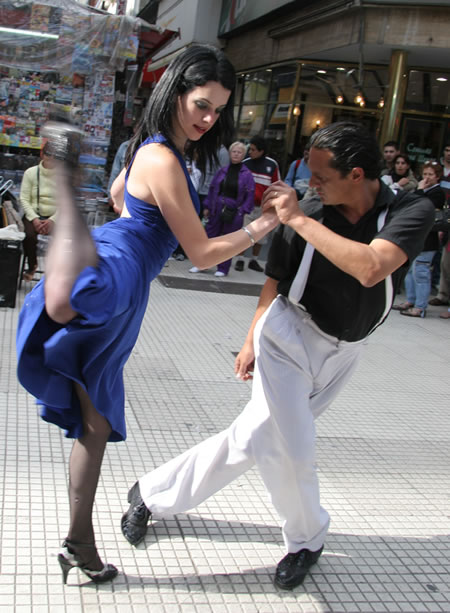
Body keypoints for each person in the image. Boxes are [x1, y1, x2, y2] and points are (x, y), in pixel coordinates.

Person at [120, 122, 435, 590]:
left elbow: (373, 267)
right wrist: (251, 338)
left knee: (254, 437)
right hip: (288, 336)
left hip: (347, 349)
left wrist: (298, 220)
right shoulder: (309, 208)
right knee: (294, 447)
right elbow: (275, 282)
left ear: (358, 174)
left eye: (322, 177)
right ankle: (308, 538)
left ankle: (151, 493)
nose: (312, 185)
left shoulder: (410, 208)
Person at [16, 45, 278, 586]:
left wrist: (143, 215)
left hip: (124, 260)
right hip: (124, 266)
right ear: (175, 92)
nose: (208, 120)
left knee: (98, 421)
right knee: (74, 303)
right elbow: (202, 254)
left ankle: (79, 545)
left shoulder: (153, 151)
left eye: (216, 111)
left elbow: (118, 197)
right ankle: (65, 203)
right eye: (201, 105)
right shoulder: (162, 157)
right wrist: (264, 224)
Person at [189, 141, 255, 276]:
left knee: (228, 240)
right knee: (208, 237)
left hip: (234, 210)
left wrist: (242, 211)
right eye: (234, 151)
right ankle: (202, 264)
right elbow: (213, 189)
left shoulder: (247, 174)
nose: (236, 154)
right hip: (217, 207)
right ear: (230, 153)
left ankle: (223, 268)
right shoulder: (222, 171)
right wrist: (207, 206)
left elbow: (250, 194)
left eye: (239, 152)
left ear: (243, 155)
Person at [392, 161, 445, 317]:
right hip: (417, 239)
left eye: (430, 174)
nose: (427, 177)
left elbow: (420, 207)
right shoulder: (424, 190)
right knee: (411, 272)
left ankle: (420, 307)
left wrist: (420, 189)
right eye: (425, 174)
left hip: (428, 240)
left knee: (421, 273)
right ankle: (411, 300)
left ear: (437, 177)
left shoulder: (436, 193)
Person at [234, 135, 280, 272]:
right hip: (246, 206)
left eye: (253, 150)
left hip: (263, 207)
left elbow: (277, 185)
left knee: (261, 236)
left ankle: (254, 260)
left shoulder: (272, 165)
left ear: (261, 151)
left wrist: (273, 205)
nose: (250, 152)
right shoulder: (246, 163)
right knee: (244, 233)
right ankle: (240, 260)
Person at [20, 142, 57, 281]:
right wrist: (34, 219)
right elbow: (24, 199)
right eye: (48, 154)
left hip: (55, 217)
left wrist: (52, 220)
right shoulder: (30, 173)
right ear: (42, 154)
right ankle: (32, 266)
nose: (51, 158)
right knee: (28, 236)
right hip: (33, 214)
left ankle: (56, 271)